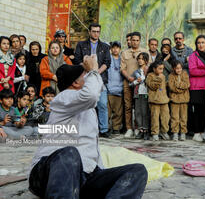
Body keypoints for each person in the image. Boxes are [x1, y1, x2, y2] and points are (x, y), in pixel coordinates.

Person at [29, 57, 148, 198]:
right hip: (47, 173)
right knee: (70, 153)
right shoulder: (63, 98)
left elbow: (96, 90)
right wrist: (91, 69)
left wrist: (101, 174)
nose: (90, 77)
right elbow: (91, 94)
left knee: (138, 171)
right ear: (75, 83)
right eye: (85, 75)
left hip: (83, 178)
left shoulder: (87, 107)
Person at [74, 23, 111, 138]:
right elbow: (77, 60)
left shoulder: (105, 46)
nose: (96, 33)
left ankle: (104, 129)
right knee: (85, 104)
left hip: (100, 79)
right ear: (89, 32)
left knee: (103, 104)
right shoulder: (81, 45)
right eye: (93, 31)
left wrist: (96, 72)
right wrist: (88, 71)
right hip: (85, 78)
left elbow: (107, 62)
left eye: (98, 31)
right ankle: (85, 129)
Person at [120, 32, 148, 138]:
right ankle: (129, 129)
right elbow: (122, 68)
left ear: (140, 41)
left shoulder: (144, 51)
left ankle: (138, 127)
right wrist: (129, 78)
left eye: (137, 40)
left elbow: (147, 67)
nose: (135, 42)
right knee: (128, 106)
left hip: (141, 85)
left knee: (138, 107)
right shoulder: (125, 53)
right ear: (130, 41)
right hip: (128, 82)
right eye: (133, 40)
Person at [188, 35, 205, 142]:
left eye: (203, 42)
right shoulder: (193, 56)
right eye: (199, 43)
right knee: (197, 111)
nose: (201, 45)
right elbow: (192, 71)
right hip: (196, 87)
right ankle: (196, 132)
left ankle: (203, 131)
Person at [146, 60, 170, 141]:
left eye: (162, 69)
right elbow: (152, 86)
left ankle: (164, 131)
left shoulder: (163, 76)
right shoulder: (150, 76)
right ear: (154, 69)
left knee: (165, 117)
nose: (161, 71)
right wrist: (158, 79)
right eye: (159, 69)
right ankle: (155, 133)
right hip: (154, 100)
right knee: (155, 117)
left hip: (164, 100)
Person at [168, 60, 190, 141]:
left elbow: (187, 84)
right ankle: (175, 133)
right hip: (174, 100)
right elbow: (171, 87)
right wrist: (181, 88)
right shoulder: (171, 76)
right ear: (173, 68)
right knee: (175, 117)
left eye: (180, 68)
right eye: (177, 68)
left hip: (184, 99)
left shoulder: (185, 74)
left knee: (183, 117)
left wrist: (177, 84)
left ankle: (183, 133)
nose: (179, 70)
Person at [106, 41, 124, 134]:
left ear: (120, 49)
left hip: (120, 89)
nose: (115, 49)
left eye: (117, 47)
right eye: (113, 47)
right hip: (109, 89)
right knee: (107, 111)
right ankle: (107, 128)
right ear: (111, 49)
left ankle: (116, 128)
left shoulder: (122, 60)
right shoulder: (108, 59)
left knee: (118, 111)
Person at [132, 52, 150, 140]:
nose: (140, 60)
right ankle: (140, 130)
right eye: (139, 59)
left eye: (142, 59)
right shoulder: (136, 72)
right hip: (138, 94)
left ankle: (146, 130)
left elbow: (148, 80)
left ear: (146, 60)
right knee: (138, 112)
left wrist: (142, 78)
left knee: (145, 112)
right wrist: (136, 82)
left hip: (146, 93)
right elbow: (131, 83)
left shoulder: (149, 70)